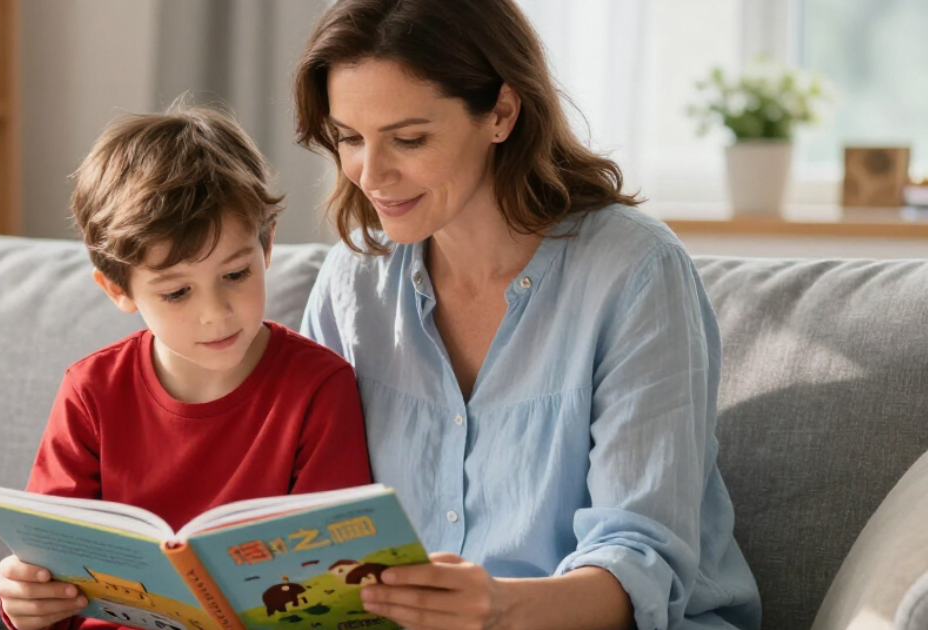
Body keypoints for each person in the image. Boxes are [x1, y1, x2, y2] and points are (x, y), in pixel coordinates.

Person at [293, 1, 762, 629]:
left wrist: (499, 607)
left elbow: (642, 562)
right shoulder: (353, 285)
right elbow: (311, 520)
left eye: (409, 138)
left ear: (502, 113)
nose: (370, 175)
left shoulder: (635, 272)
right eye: (349, 138)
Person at [0, 105, 373, 630]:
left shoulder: (318, 388)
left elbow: (334, 582)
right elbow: (49, 570)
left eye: (236, 273)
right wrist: (27, 600)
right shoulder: (91, 392)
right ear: (117, 289)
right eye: (176, 292)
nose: (215, 313)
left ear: (266, 245)